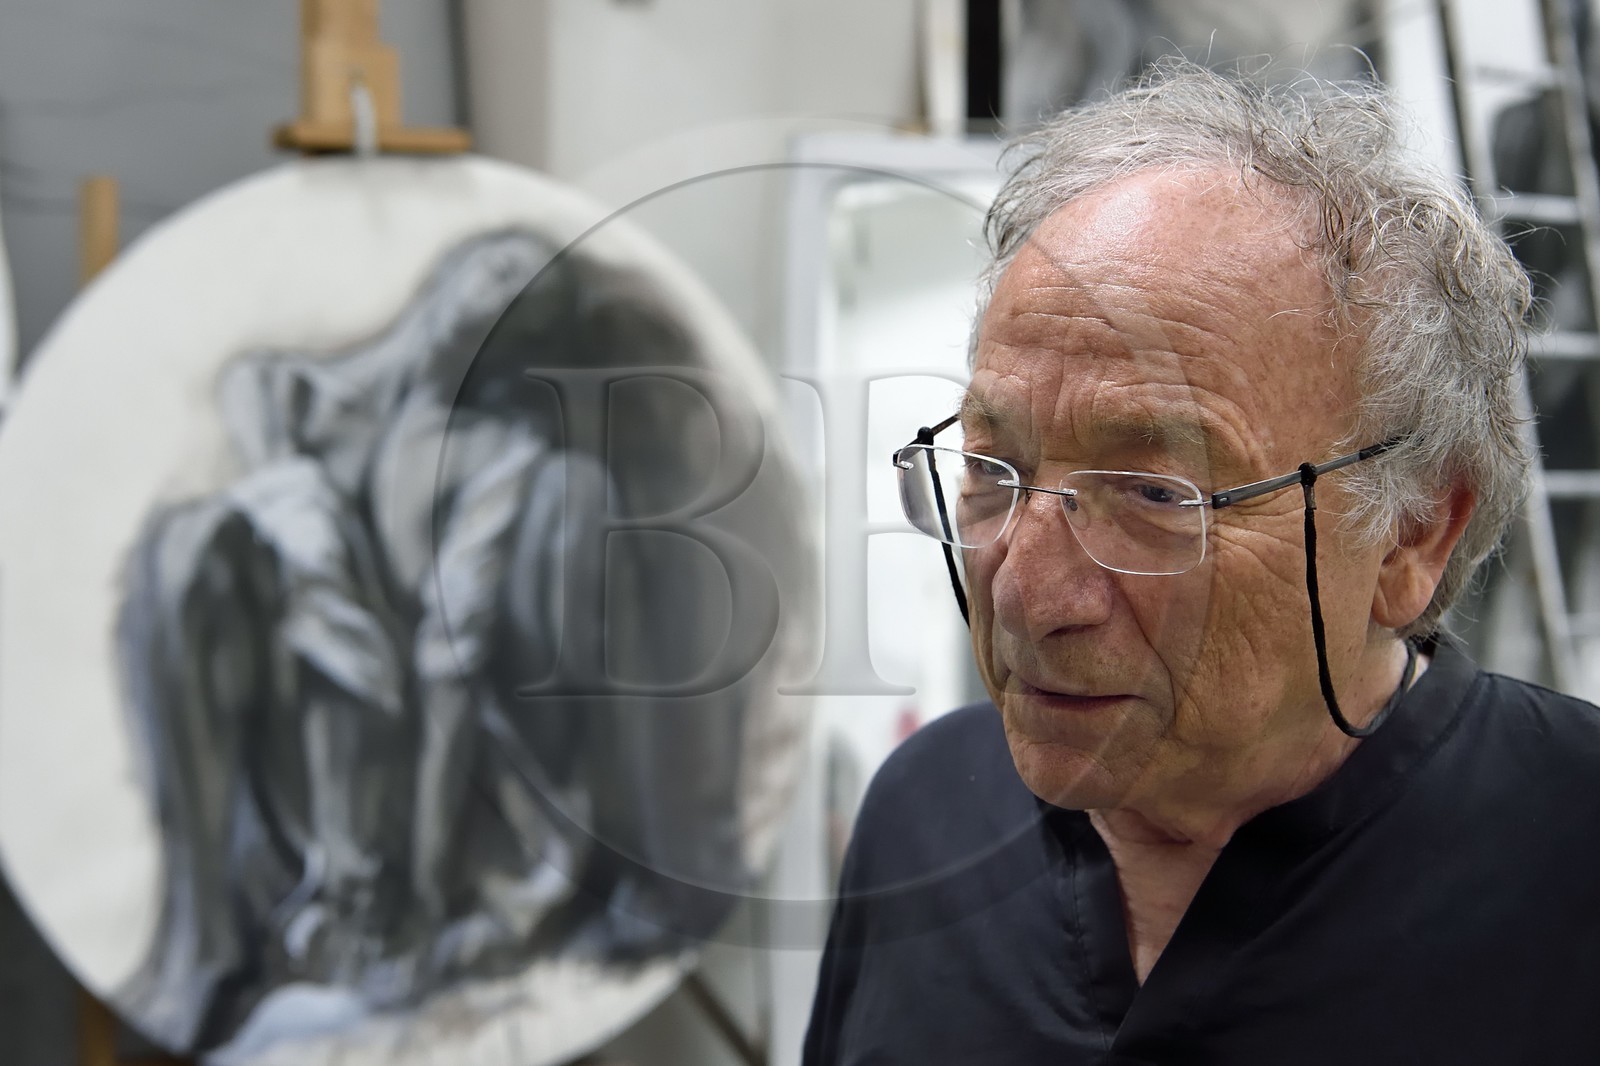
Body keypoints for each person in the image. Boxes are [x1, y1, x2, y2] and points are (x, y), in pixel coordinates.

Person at [803, 60, 1600, 1064]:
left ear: (1409, 536)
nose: (1023, 593)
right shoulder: (924, 816)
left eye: (1154, 495)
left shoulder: (1570, 863)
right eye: (992, 467)